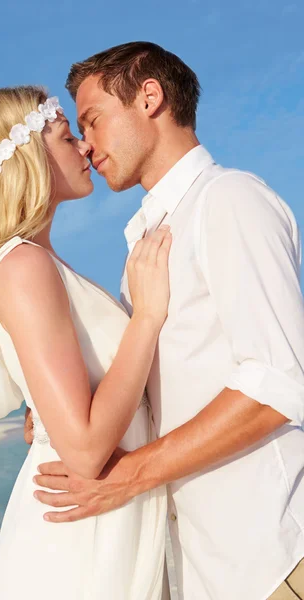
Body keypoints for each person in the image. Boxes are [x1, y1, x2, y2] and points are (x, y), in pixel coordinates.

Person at [30, 42, 304, 600]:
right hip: (207, 571)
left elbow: (280, 383)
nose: (85, 143)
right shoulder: (144, 244)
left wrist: (129, 476)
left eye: (94, 119)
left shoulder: (228, 201)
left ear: (149, 97)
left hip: (273, 558)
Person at [0, 85, 173, 599]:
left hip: (104, 524)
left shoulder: (39, 264)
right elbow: (87, 450)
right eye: (67, 136)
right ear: (27, 156)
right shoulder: (24, 267)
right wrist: (148, 316)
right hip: (79, 541)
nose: (86, 148)